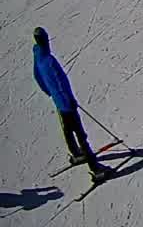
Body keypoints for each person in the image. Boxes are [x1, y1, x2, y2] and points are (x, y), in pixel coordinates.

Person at [32, 28, 111, 183]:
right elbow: (61, 83)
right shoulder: (49, 60)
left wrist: (50, 93)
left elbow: (38, 77)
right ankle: (97, 170)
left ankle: (77, 154)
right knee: (81, 136)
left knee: (67, 130)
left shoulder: (37, 55)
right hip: (66, 103)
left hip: (59, 102)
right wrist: (69, 100)